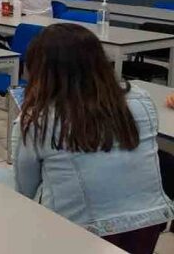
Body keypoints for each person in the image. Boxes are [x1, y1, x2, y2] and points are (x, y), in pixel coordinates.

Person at [12, 24, 173, 253]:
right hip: (149, 224)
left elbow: (24, 189)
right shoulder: (140, 98)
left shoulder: (37, 118)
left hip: (81, 230)